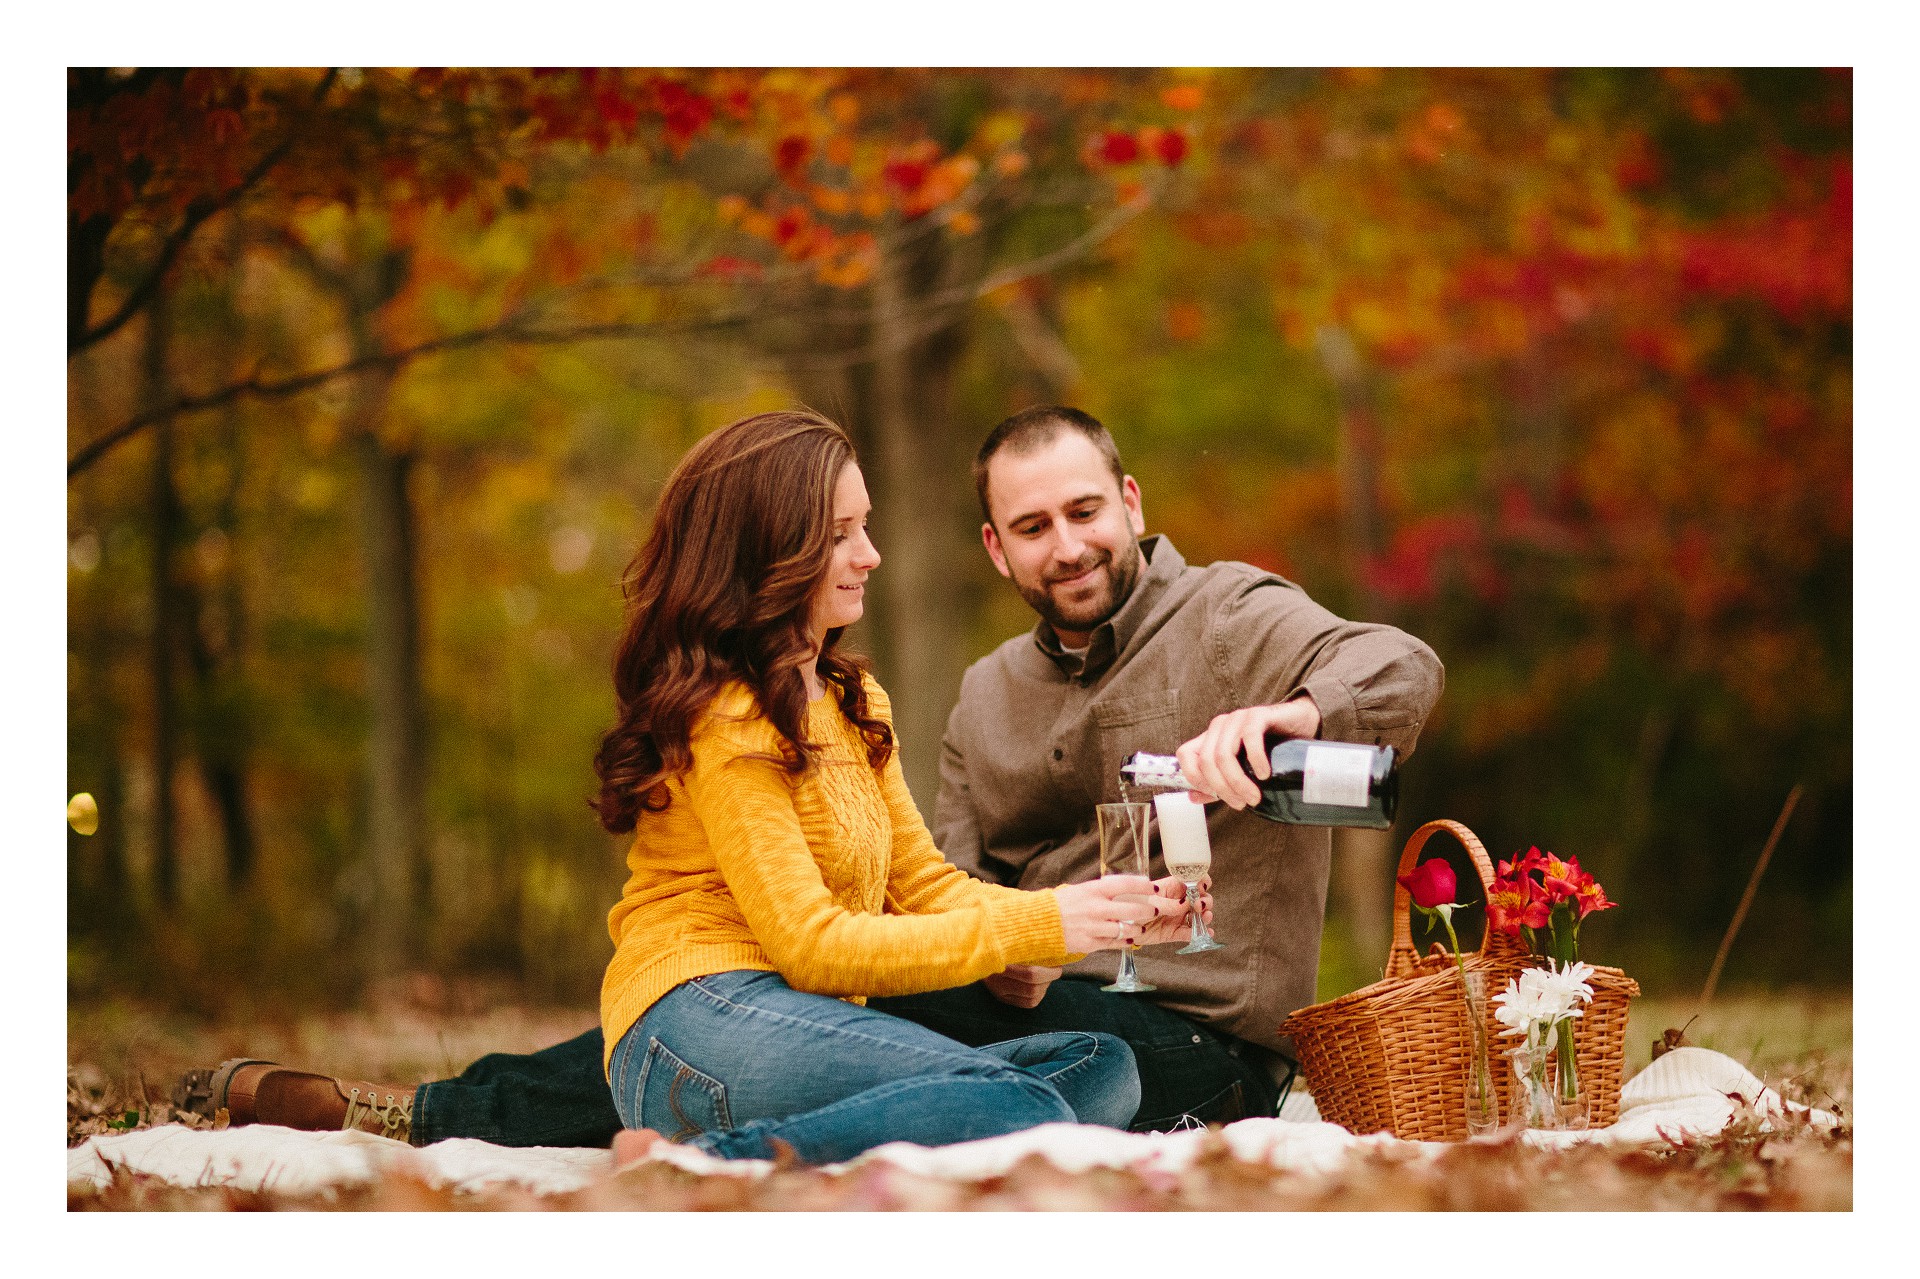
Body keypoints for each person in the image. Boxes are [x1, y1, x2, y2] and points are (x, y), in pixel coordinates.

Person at [177, 404, 1442, 1148]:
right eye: (1036, 527)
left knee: (964, 1035)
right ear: (998, 547)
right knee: (840, 1003)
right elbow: (914, 902)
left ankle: (514, 1121)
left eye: (1087, 512)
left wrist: (1289, 712)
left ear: (1130, 498)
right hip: (1007, 991)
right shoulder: (981, 694)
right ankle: (437, 1111)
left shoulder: (1231, 618)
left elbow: (1401, 668)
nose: (1071, 545)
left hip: (1191, 1028)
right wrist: (1022, 940)